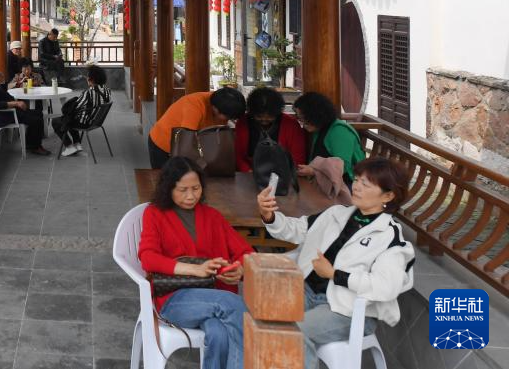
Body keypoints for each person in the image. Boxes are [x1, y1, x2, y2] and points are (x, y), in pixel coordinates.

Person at [257, 157, 414, 369]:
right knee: (263, 319)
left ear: (388, 195)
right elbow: (298, 230)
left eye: (366, 184)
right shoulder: (336, 213)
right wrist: (269, 216)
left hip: (348, 311)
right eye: (356, 180)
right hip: (307, 292)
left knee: (294, 332)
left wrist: (334, 274)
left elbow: (385, 287)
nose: (356, 186)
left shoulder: (391, 238)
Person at [139, 157, 254, 369]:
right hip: (174, 299)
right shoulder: (154, 214)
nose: (191, 196)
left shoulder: (212, 216)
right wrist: (195, 269)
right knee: (232, 304)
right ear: (168, 188)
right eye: (183, 190)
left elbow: (246, 253)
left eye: (196, 188)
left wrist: (238, 270)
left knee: (218, 333)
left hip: (212, 295)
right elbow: (147, 257)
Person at [147, 88, 246, 169]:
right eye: (228, 117)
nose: (229, 120)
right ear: (215, 109)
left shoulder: (223, 104)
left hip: (189, 144)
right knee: (164, 179)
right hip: (163, 143)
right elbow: (186, 141)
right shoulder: (194, 105)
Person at [292, 92, 365, 185]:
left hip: (351, 184)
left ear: (315, 115)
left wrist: (313, 171)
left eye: (304, 119)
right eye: (300, 119)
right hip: (329, 183)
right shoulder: (320, 129)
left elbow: (343, 167)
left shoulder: (339, 131)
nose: (302, 124)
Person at [233, 87, 306, 172]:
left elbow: (297, 159)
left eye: (270, 116)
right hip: (250, 172)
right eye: (259, 116)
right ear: (252, 112)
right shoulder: (243, 122)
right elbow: (238, 155)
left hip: (284, 173)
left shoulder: (291, 124)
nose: (264, 120)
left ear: (278, 113)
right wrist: (248, 171)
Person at [0, 60, 49, 155]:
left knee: (38, 113)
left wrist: (2, 80)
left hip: (11, 111)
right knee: (36, 119)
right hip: (7, 115)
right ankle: (36, 147)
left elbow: (3, 94)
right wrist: (16, 103)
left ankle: (31, 144)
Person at [52, 64, 110, 157]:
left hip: (85, 123)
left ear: (91, 79)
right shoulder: (107, 91)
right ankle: (77, 144)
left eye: (88, 76)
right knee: (71, 117)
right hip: (96, 121)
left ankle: (69, 146)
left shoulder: (89, 93)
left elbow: (76, 107)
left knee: (57, 121)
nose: (87, 78)